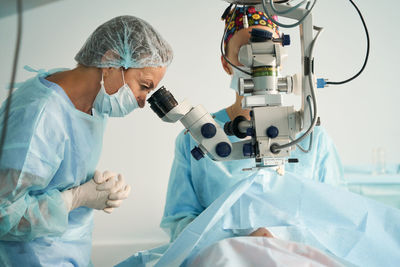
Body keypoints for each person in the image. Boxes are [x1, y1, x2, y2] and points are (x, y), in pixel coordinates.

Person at [0, 15, 173, 266]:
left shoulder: (92, 104)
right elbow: (4, 215)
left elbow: (56, 176)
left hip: (69, 252)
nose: (143, 101)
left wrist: (96, 188)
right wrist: (77, 197)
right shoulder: (41, 114)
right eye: (144, 86)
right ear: (111, 61)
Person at [160, 5, 343, 242]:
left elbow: (338, 219)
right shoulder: (195, 138)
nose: (257, 62)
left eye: (269, 51)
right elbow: (179, 221)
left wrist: (282, 240)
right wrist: (239, 242)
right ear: (226, 63)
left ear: (280, 61)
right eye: (247, 53)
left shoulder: (311, 137)